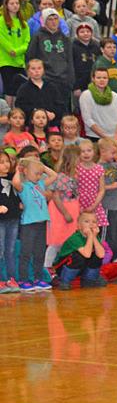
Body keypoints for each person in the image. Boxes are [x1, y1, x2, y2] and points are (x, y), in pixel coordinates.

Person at [13, 156, 54, 291]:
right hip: (29, 224)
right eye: (36, 173)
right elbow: (15, 183)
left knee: (39, 252)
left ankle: (38, 278)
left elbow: (54, 175)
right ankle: (23, 280)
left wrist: (42, 167)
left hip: (41, 223)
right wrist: (18, 170)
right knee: (26, 253)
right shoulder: (24, 187)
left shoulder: (40, 184)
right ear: (25, 171)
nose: (39, 176)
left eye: (40, 173)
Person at [25, 8, 73, 98]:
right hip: (45, 79)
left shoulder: (65, 38)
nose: (53, 22)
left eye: (56, 18)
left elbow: (70, 60)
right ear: (44, 21)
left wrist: (71, 80)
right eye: (50, 19)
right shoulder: (37, 37)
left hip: (63, 80)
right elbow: (30, 57)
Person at [52, 210, 106, 289]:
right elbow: (86, 254)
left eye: (94, 222)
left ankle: (89, 280)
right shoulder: (75, 238)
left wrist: (93, 236)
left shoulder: (94, 236)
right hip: (62, 268)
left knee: (96, 255)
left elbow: (101, 255)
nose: (91, 224)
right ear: (79, 226)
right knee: (79, 256)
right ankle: (64, 281)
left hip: (80, 267)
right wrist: (91, 236)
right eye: (87, 221)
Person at [97, 137, 117, 262]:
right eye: (113, 153)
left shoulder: (115, 164)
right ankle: (104, 259)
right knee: (109, 235)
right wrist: (110, 186)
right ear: (103, 151)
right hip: (108, 206)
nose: (116, 156)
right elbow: (97, 187)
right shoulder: (98, 167)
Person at [14, 59, 66, 128]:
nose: (36, 71)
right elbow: (20, 106)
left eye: (39, 68)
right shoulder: (23, 89)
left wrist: (54, 114)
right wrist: (35, 113)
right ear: (28, 71)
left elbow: (60, 105)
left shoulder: (51, 87)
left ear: (43, 70)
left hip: (51, 125)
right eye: (33, 68)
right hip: (31, 127)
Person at [79, 67, 117, 142]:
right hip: (94, 136)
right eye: (98, 78)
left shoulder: (115, 95)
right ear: (93, 79)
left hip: (115, 137)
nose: (102, 80)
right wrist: (106, 138)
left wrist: (115, 138)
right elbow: (87, 119)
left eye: (105, 78)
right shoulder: (86, 95)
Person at [0, 0, 30, 98]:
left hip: (20, 61)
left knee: (20, 89)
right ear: (6, 5)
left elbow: (26, 41)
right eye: (12, 3)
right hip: (6, 61)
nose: (15, 5)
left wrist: (17, 51)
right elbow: (2, 39)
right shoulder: (1, 21)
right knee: (9, 89)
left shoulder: (24, 24)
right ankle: (9, 112)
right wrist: (10, 50)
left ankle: (18, 112)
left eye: (17, 3)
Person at [0, 152, 19, 292]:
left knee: (10, 251)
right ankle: (1, 280)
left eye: (7, 161)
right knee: (0, 250)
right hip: (1, 221)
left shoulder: (13, 178)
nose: (6, 164)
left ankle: (11, 279)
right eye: (1, 162)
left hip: (13, 219)